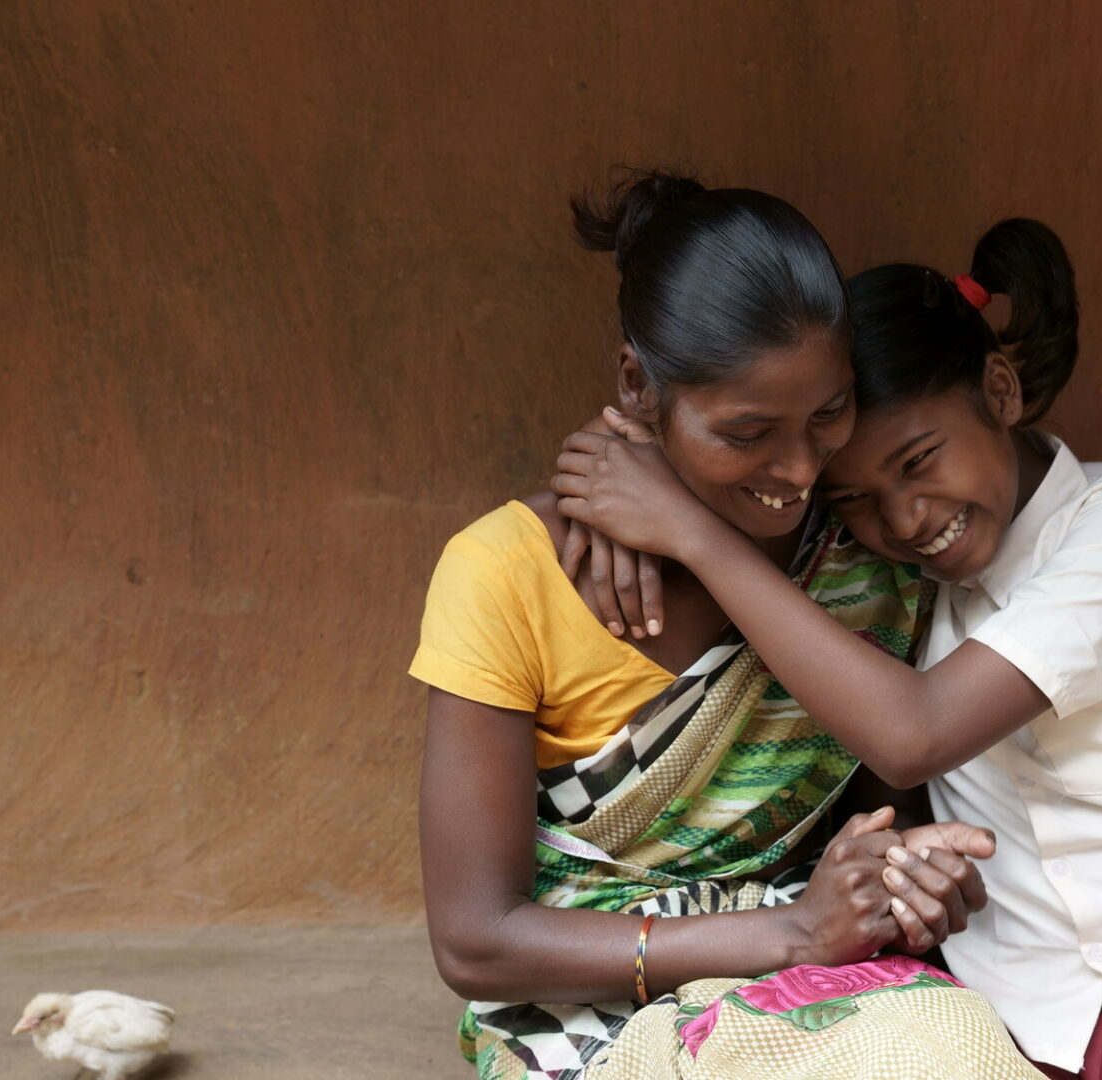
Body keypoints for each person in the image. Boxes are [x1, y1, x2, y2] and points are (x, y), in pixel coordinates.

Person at [553, 218, 1102, 1079]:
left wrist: (683, 533)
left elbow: (917, 732)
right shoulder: (896, 582)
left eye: (920, 460)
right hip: (1004, 1026)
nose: (904, 520)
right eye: (857, 497)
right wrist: (624, 471)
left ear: (1002, 392)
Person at [411, 169, 1041, 1080]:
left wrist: (904, 875)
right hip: (585, 1010)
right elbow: (475, 942)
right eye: (747, 434)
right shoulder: (508, 574)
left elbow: (873, 820)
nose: (796, 470)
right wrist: (785, 934)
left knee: (965, 1060)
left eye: (829, 413)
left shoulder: (860, 552)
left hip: (823, 971)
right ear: (635, 385)